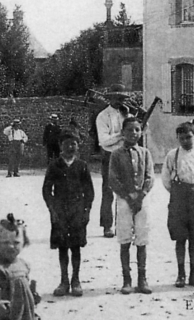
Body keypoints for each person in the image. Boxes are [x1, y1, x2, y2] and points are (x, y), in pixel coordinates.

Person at [42, 129, 94, 297]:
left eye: (74, 143)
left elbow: (89, 191)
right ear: (60, 146)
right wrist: (52, 209)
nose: (70, 147)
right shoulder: (54, 165)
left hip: (77, 210)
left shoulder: (82, 166)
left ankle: (76, 280)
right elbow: (46, 189)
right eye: (66, 144)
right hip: (60, 211)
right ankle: (64, 281)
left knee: (76, 247)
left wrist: (86, 210)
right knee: (63, 247)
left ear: (78, 146)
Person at [109, 117, 155, 295]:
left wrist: (141, 195)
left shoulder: (145, 153)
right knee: (125, 237)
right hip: (124, 200)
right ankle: (126, 279)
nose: (133, 133)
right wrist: (128, 197)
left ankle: (142, 279)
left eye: (137, 130)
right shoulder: (116, 154)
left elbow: (150, 177)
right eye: (129, 130)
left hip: (142, 201)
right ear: (122, 133)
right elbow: (113, 179)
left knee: (142, 237)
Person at [161, 122, 194, 288]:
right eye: (182, 138)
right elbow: (166, 179)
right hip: (178, 200)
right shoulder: (172, 155)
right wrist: (177, 193)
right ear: (177, 139)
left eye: (189, 137)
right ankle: (181, 274)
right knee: (180, 238)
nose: (185, 141)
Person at [0, 214, 41, 320]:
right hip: (5, 313)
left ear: (24, 243)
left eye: (16, 243)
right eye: (5, 243)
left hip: (24, 311)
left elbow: (24, 285)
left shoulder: (23, 264)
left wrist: (32, 294)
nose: (11, 247)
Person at [95, 83, 132, 238]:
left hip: (126, 154)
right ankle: (107, 226)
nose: (119, 101)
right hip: (110, 156)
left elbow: (138, 132)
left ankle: (124, 225)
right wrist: (122, 134)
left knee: (127, 190)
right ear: (110, 99)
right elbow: (104, 141)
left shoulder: (128, 115)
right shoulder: (103, 116)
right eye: (116, 98)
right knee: (108, 191)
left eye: (121, 98)